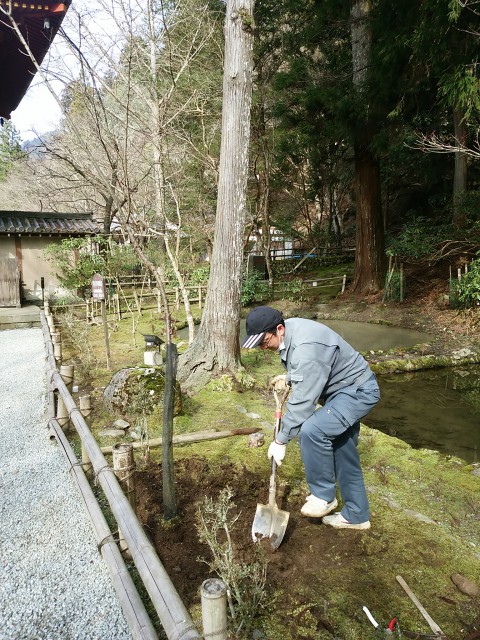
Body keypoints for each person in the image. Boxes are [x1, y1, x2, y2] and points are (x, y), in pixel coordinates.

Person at [242, 305, 380, 530]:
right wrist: (290, 377)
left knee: (313, 430)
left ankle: (324, 496)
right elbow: (308, 368)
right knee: (342, 449)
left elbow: (304, 402)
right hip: (342, 391)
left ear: (279, 329)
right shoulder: (291, 330)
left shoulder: (308, 346)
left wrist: (280, 439)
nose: (262, 347)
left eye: (264, 341)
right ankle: (357, 515)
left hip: (357, 392)